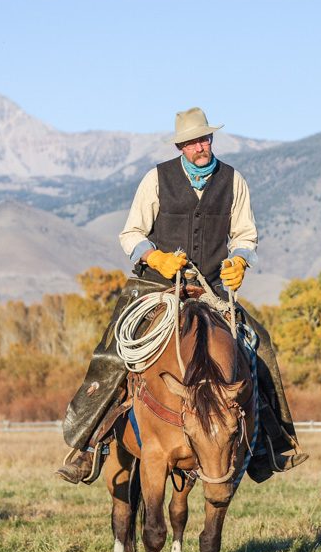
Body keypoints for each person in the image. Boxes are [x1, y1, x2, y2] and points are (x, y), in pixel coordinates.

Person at [56, 107, 306, 484]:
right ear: (181, 146)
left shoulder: (233, 180)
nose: (200, 146)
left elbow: (245, 235)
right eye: (192, 142)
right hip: (156, 285)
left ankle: (274, 443)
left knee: (259, 343)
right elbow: (131, 233)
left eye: (205, 139)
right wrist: (153, 255)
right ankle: (88, 444)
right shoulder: (156, 179)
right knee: (114, 350)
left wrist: (239, 260)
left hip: (211, 290)